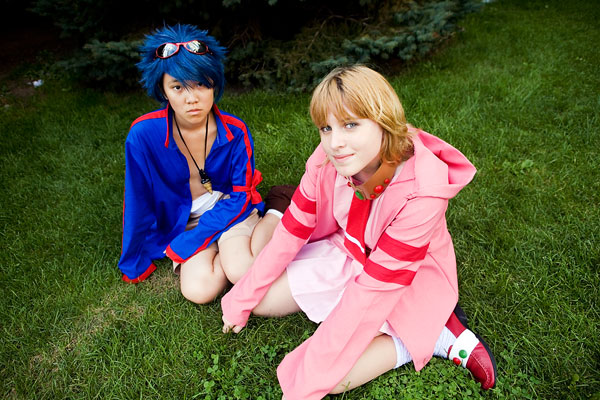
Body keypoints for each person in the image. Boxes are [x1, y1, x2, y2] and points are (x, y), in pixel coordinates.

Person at [221, 65, 497, 398]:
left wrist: (306, 383)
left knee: (333, 379)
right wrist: (241, 298)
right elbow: (291, 230)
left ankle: (434, 333)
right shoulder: (326, 157)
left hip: (405, 280)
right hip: (349, 251)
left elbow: (374, 290)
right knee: (261, 301)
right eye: (326, 128)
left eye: (351, 124)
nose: (335, 143)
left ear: (383, 121)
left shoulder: (423, 191)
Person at [118, 24, 293, 304]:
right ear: (163, 90)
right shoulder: (143, 135)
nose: (192, 98)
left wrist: (195, 239)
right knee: (198, 291)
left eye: (201, 84)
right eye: (178, 87)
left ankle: (277, 208)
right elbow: (136, 199)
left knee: (241, 270)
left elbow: (239, 196)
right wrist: (133, 262)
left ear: (214, 83)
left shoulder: (236, 131)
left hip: (230, 208)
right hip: (185, 222)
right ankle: (229, 248)